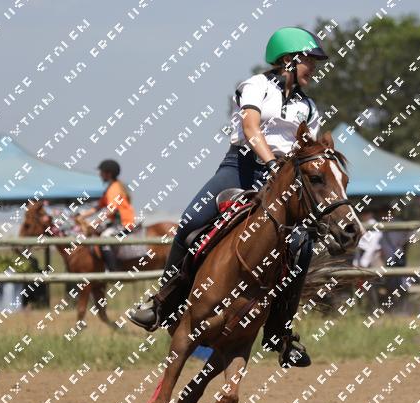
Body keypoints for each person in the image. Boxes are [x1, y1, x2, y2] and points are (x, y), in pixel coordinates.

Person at [130, 27, 329, 368]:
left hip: (283, 179)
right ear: (288, 60)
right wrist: (271, 163)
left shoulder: (309, 108)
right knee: (191, 221)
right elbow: (251, 128)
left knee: (303, 245)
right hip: (241, 167)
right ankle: (161, 303)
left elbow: (307, 150)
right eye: (309, 60)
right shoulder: (256, 86)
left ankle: (281, 334)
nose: (314, 67)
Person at [79, 159, 136, 271]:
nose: (100, 174)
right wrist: (82, 216)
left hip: (124, 223)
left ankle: (113, 271)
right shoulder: (111, 187)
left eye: (101, 172)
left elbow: (111, 210)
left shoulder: (114, 188)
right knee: (96, 233)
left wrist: (95, 222)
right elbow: (98, 207)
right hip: (115, 222)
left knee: (104, 238)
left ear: (109, 174)